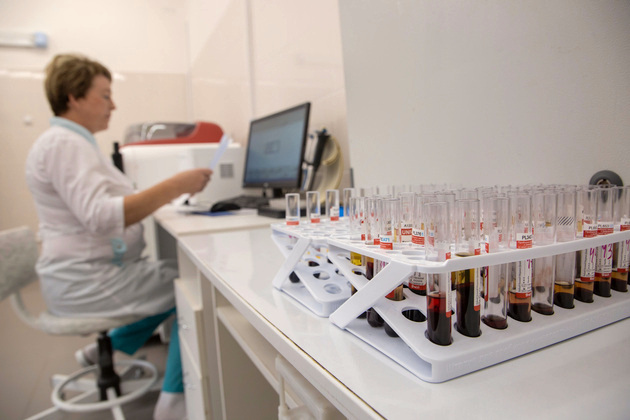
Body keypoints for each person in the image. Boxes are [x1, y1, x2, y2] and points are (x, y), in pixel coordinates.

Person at [25, 54, 212, 420]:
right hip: (85, 280)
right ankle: (174, 401)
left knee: (173, 277)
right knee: (190, 284)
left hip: (84, 273)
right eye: (105, 95)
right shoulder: (65, 144)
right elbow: (99, 216)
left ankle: (109, 349)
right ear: (74, 97)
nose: (113, 105)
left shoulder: (70, 143)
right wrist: (176, 185)